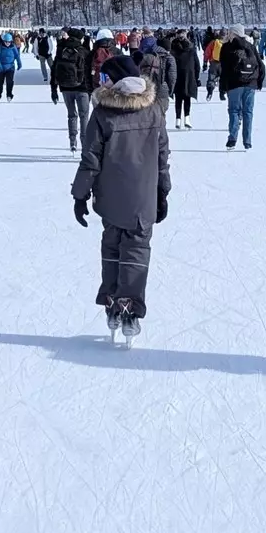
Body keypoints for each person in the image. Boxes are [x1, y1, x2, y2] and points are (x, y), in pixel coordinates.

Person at [71, 52, 171, 346]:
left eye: (104, 78)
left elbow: (90, 160)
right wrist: (162, 191)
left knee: (113, 249)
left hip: (111, 200)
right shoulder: (153, 110)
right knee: (137, 252)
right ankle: (131, 307)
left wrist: (80, 196)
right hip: (143, 199)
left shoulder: (102, 113)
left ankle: (114, 302)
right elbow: (163, 157)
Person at [218, 27, 262, 150]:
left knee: (234, 111)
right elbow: (260, 64)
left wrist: (222, 88)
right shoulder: (250, 46)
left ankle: (232, 139)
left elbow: (224, 69)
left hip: (234, 84)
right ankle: (247, 141)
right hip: (250, 84)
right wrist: (258, 82)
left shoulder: (226, 47)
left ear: (234, 34)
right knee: (248, 112)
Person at [52, 27, 93, 152]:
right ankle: (84, 143)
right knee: (84, 116)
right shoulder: (83, 51)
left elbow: (54, 71)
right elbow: (89, 70)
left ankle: (72, 141)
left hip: (65, 88)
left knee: (71, 115)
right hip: (82, 88)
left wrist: (53, 89)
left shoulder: (61, 49)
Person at [168, 29, 199, 129]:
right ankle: (187, 118)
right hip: (188, 75)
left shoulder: (172, 48)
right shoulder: (191, 47)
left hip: (176, 75)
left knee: (178, 98)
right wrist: (196, 77)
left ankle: (177, 119)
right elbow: (197, 64)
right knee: (187, 97)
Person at [0, 29, 22, 100]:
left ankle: (9, 95)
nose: (7, 43)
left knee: (9, 82)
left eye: (9, 42)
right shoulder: (0, 47)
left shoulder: (13, 47)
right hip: (1, 67)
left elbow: (17, 55)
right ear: (3, 41)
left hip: (10, 67)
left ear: (11, 41)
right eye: (6, 42)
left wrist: (19, 63)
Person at [203, 29, 223, 100]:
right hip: (223, 64)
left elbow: (207, 53)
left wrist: (205, 62)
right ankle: (222, 93)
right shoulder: (227, 43)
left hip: (213, 63)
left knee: (211, 78)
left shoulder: (213, 42)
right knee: (223, 78)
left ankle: (210, 92)